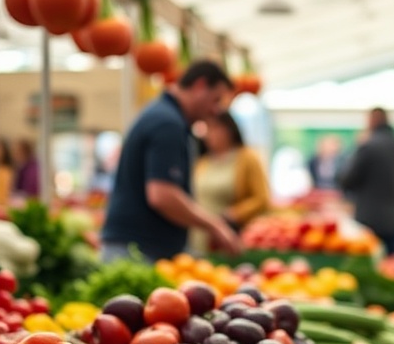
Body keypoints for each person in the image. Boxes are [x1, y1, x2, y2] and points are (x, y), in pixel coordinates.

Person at [101, 60, 241, 263]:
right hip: (137, 252)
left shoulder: (163, 115)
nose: (215, 110)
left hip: (133, 247)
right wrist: (215, 225)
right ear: (200, 86)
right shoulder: (168, 123)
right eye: (216, 100)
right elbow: (162, 195)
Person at [339, 107, 394, 255]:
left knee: (371, 266)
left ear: (371, 121)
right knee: (393, 266)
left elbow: (347, 180)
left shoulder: (368, 147)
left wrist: (356, 147)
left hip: (370, 220)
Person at [190, 111, 270, 255]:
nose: (208, 134)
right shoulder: (203, 162)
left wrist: (235, 214)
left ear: (228, 129)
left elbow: (262, 198)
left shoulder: (247, 158)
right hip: (198, 236)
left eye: (213, 128)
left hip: (229, 235)